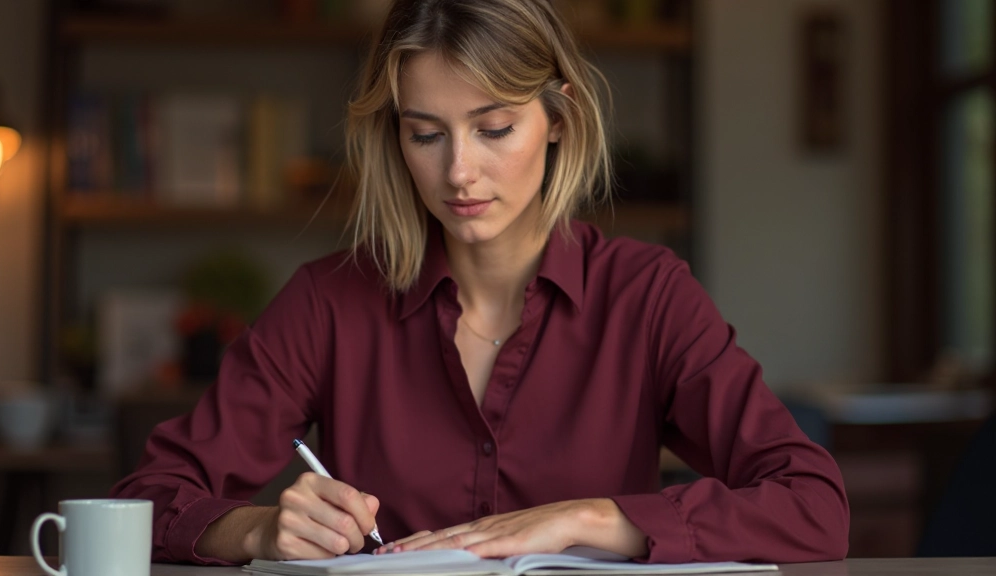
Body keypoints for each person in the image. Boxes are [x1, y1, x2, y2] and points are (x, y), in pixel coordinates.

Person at [110, 0, 849, 566]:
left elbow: (813, 506)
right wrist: (262, 528)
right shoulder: (328, 302)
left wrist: (593, 518)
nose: (458, 172)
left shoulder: (647, 296)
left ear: (557, 118)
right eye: (425, 134)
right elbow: (144, 501)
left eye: (494, 129)